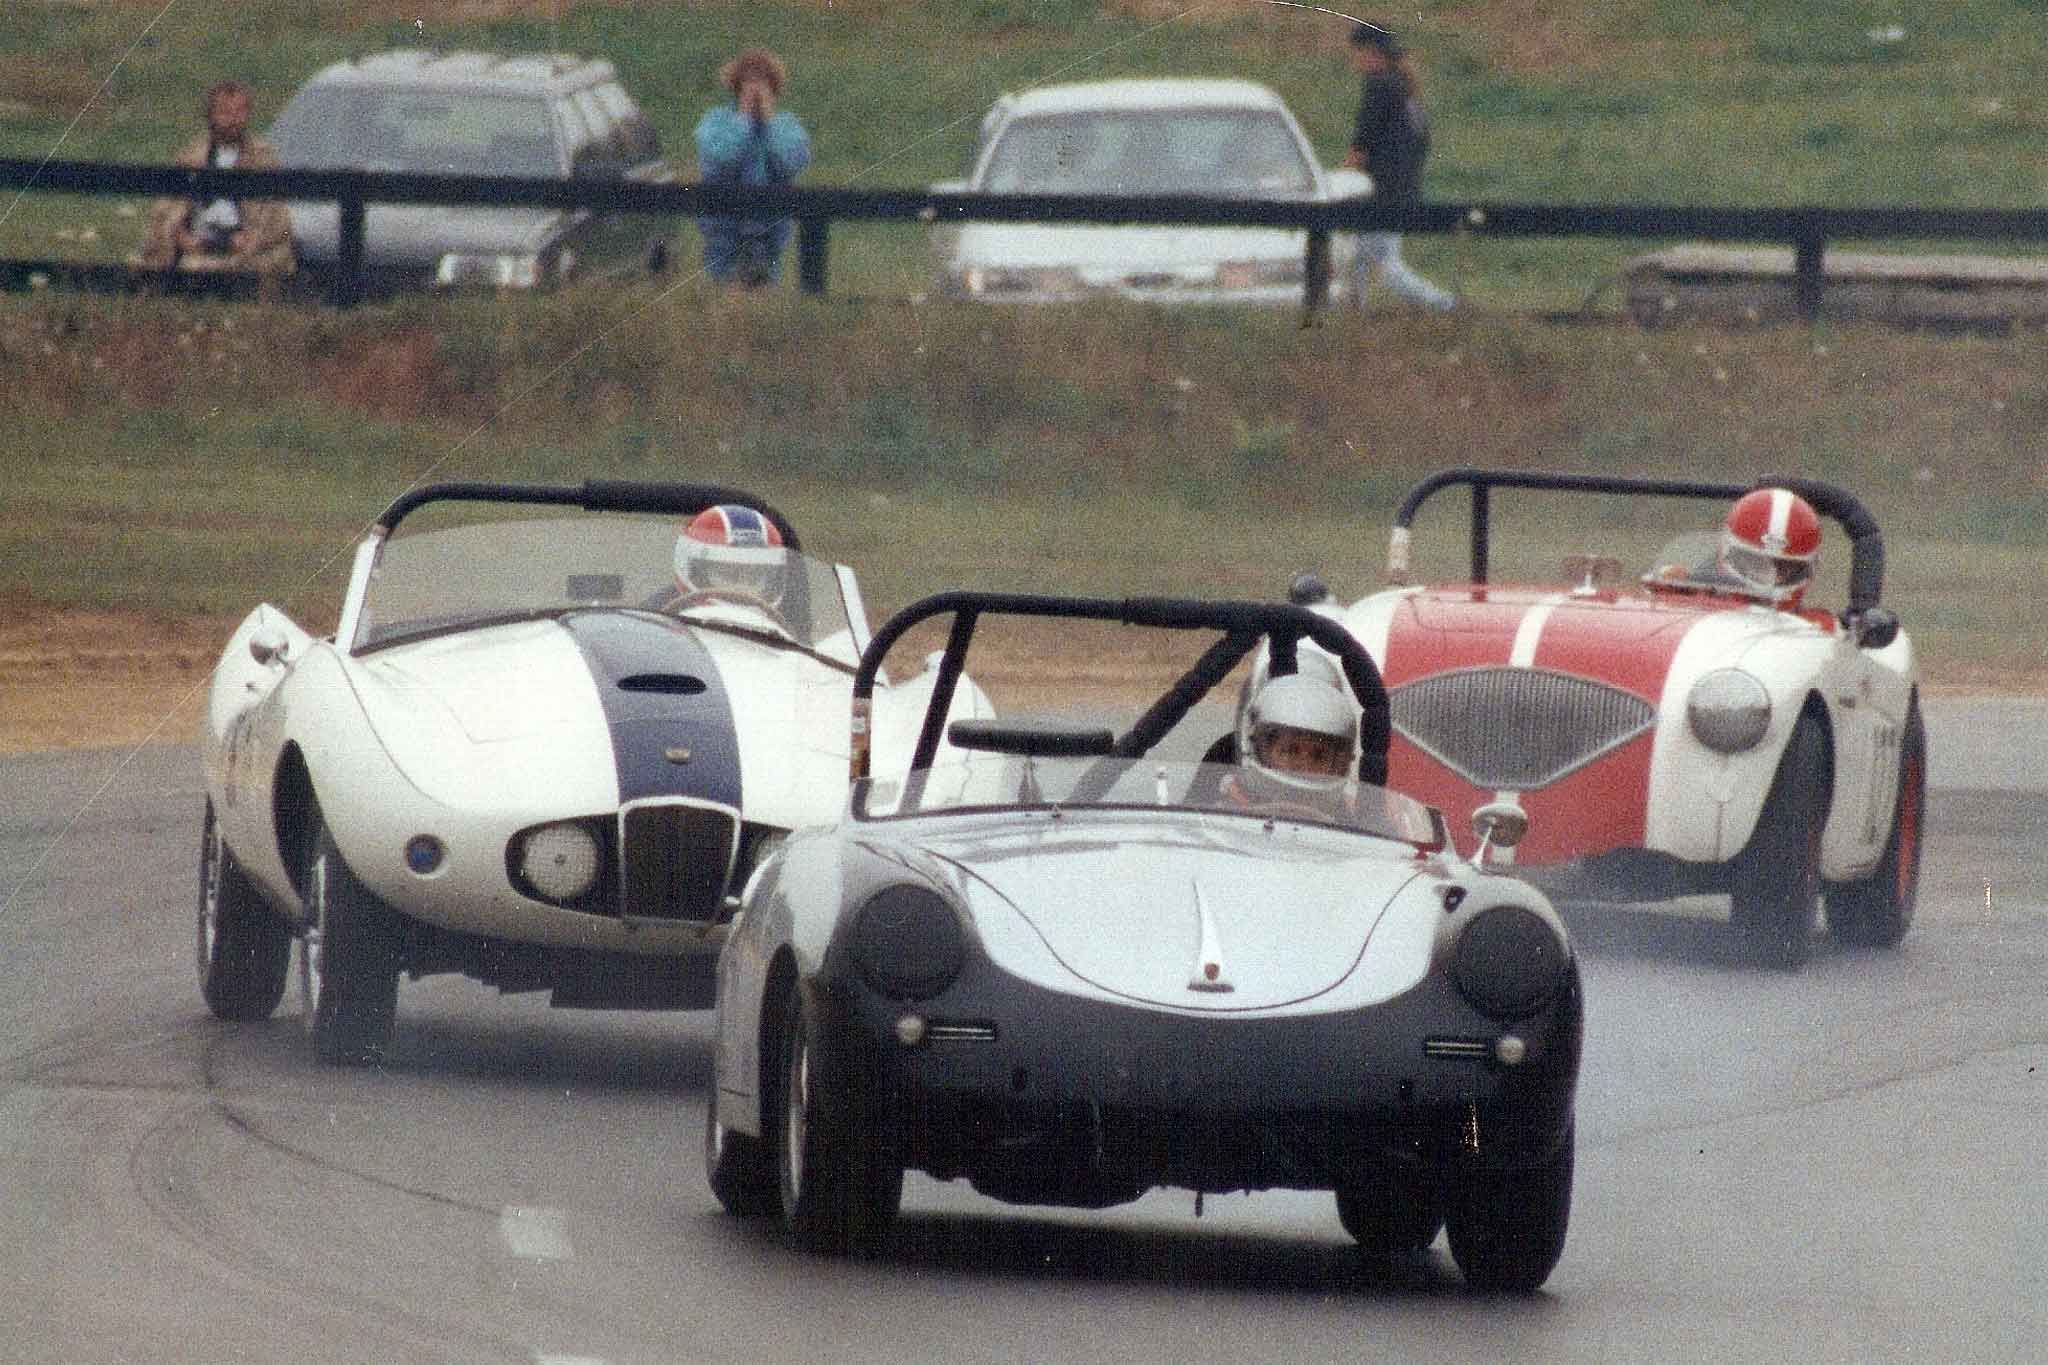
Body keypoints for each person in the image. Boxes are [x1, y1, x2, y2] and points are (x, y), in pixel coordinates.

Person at [1340, 24, 1454, 313]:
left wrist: (1340, 183)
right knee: (1359, 256)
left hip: (1381, 193)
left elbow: (1361, 144)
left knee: (1384, 265)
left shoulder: (1379, 86)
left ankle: (1445, 306)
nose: (1354, 62)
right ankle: (1354, 312)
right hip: (1403, 188)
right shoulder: (1406, 89)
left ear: (1371, 52)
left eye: (1356, 54)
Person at [136, 79, 295, 280]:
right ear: (210, 115)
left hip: (246, 249)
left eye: (240, 111)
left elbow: (276, 218)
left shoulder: (263, 159)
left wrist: (247, 240)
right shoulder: (191, 157)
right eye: (225, 112)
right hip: (198, 244)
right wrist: (181, 236)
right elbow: (167, 210)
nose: (234, 119)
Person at [693, 48, 812, 287]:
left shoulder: (787, 125)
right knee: (722, 288)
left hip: (771, 233)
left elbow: (790, 163)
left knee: (764, 293)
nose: (756, 90)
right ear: (737, 86)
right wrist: (743, 120)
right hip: (723, 231)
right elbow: (720, 158)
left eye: (763, 83)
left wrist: (769, 122)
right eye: (749, 82)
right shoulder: (715, 121)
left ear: (773, 88)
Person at [1219, 671, 1360, 818]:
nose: (1304, 765)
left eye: (1319, 756)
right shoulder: (1225, 807)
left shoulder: (1349, 817)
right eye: (1290, 751)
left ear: (1337, 765)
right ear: (1260, 751)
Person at [668, 504, 789, 613]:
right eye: (728, 573)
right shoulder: (665, 624)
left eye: (755, 576)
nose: (741, 590)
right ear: (696, 573)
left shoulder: (779, 629)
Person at [1719, 487, 1821, 609]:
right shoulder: (1699, 603)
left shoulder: (1816, 620)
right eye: (1755, 563)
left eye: (1784, 569)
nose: (1772, 577)